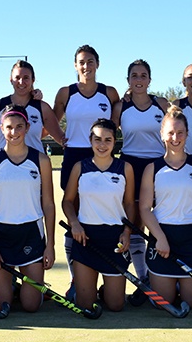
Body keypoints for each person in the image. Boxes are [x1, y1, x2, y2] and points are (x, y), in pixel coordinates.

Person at [53, 45, 120, 299]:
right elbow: (51, 117)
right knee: (75, 217)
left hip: (102, 154)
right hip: (75, 157)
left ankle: (104, 268)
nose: (86, 66)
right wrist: (61, 137)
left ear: (97, 64)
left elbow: (117, 115)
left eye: (90, 61)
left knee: (99, 211)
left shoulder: (109, 92)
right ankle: (75, 277)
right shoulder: (66, 92)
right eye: (81, 62)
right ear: (75, 65)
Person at [0, 105, 55, 312]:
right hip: (2, 233)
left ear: (27, 128)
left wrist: (50, 245)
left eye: (19, 127)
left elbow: (48, 205)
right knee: (2, 304)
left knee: (31, 306)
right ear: (2, 129)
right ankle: (12, 284)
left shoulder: (41, 160)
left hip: (31, 232)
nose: (14, 132)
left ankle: (35, 288)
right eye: (9, 127)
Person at [139, 105, 192, 309]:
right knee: (164, 304)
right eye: (170, 132)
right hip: (162, 240)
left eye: (180, 133)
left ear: (187, 134)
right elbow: (144, 209)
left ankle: (185, 286)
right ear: (162, 134)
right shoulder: (152, 168)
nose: (175, 138)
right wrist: (160, 238)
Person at [110, 59, 168, 305]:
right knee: (134, 223)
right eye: (134, 76)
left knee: (161, 218)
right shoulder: (120, 107)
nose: (139, 80)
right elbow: (109, 136)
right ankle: (144, 280)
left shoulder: (162, 104)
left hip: (158, 165)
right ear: (128, 81)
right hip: (131, 165)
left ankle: (162, 276)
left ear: (150, 80)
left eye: (143, 76)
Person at [62, 118, 135, 312]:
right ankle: (81, 290)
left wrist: (127, 232)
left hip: (114, 239)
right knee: (85, 305)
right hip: (85, 237)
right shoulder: (80, 167)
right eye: (97, 139)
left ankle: (105, 291)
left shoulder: (125, 168)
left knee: (116, 305)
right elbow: (67, 201)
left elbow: (129, 203)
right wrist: (74, 223)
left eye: (107, 140)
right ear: (90, 140)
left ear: (114, 141)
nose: (102, 145)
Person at [0, 60, 64, 152]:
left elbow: (61, 138)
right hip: (4, 165)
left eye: (26, 78)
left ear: (33, 80)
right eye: (17, 77)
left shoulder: (42, 108)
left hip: (35, 165)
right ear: (11, 80)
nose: (21, 82)